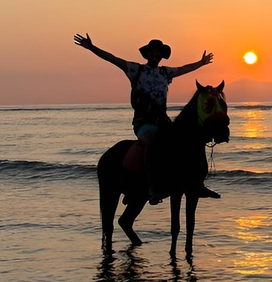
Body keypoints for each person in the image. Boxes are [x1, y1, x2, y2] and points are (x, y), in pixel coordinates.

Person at [74, 33, 220, 204]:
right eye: (152, 53)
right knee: (150, 143)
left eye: (158, 53)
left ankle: (196, 182)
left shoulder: (165, 73)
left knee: (185, 141)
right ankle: (152, 188)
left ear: (161, 56)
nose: (155, 56)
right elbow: (113, 59)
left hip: (163, 121)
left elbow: (184, 68)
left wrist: (201, 63)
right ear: (147, 54)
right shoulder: (135, 70)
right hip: (143, 122)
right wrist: (91, 47)